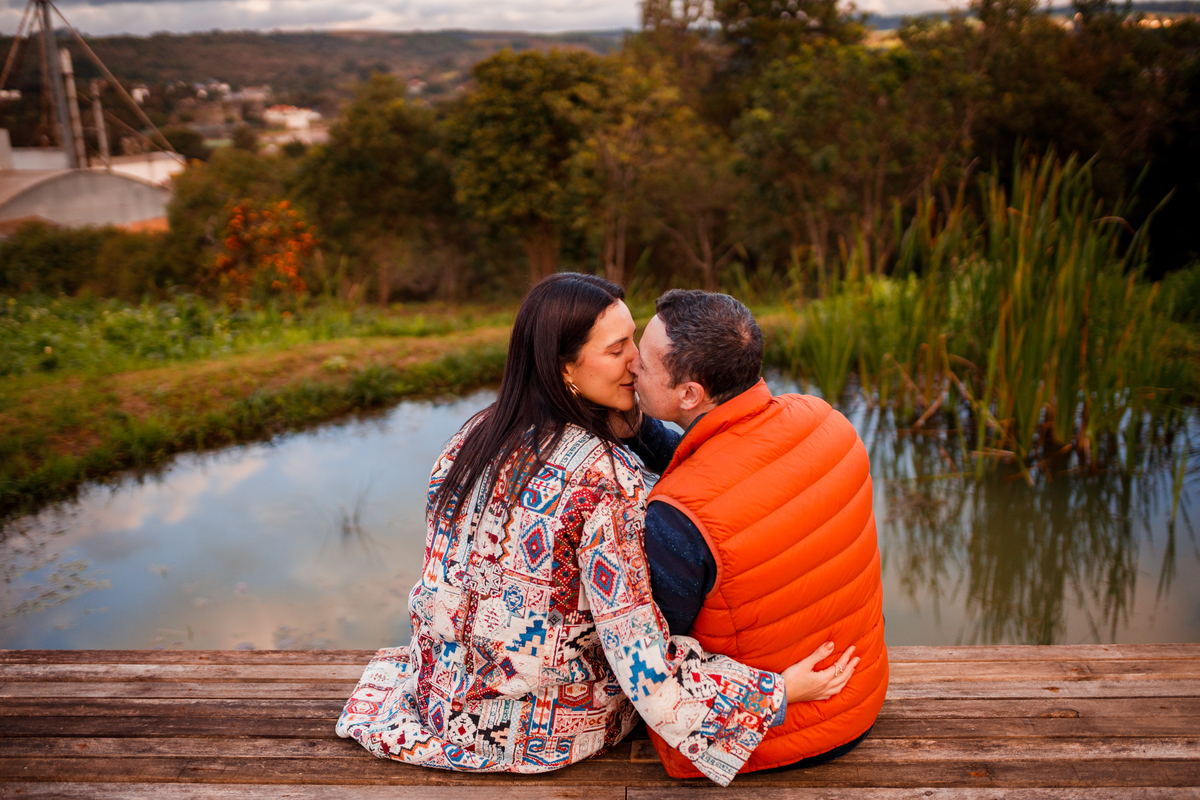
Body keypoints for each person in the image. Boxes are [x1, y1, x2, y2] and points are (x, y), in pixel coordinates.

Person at [336, 274, 858, 786]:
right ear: (566, 368)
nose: (635, 361)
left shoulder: (472, 437)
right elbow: (643, 668)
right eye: (618, 350)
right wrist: (778, 692)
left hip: (443, 697)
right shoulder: (605, 484)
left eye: (634, 340)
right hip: (538, 729)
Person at [627, 288, 888, 778]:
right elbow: (714, 459)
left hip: (765, 740)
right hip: (856, 702)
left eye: (643, 361)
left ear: (690, 395)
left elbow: (658, 649)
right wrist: (630, 425)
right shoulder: (826, 422)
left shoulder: (679, 516)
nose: (631, 369)